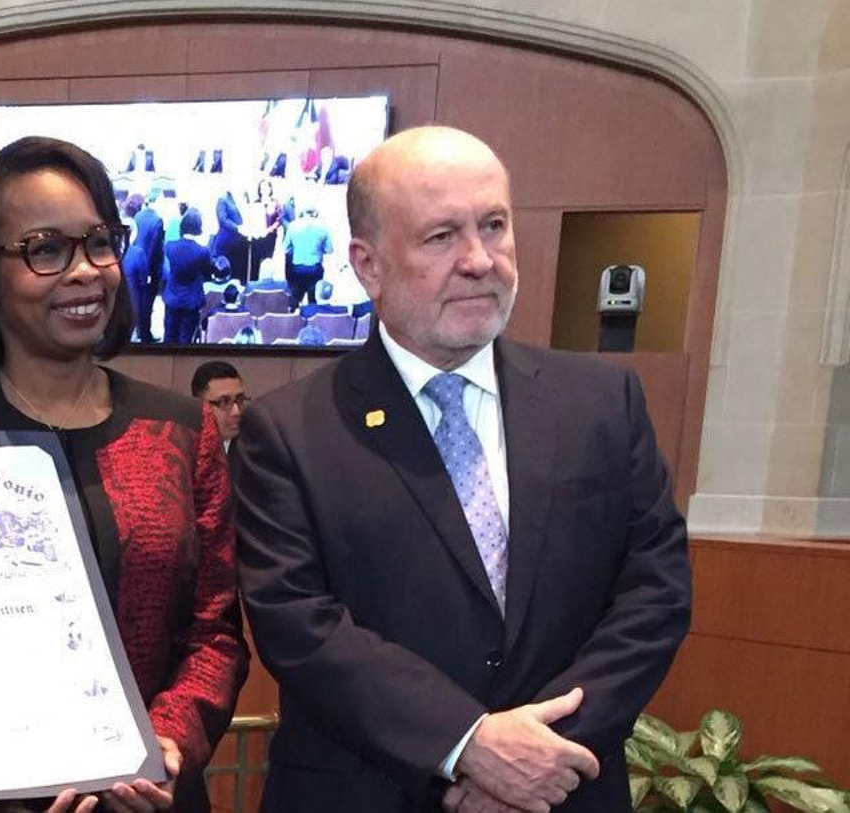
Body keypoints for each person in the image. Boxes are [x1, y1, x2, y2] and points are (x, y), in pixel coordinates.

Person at [234, 126, 691, 813]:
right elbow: (298, 623)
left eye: (495, 226)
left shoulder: (602, 401)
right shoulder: (288, 430)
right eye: (441, 236)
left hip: (565, 788)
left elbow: (655, 590)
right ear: (369, 264)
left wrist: (541, 755)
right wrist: (467, 744)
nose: (480, 259)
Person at [0, 136, 248, 813]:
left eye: (99, 243)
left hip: (150, 796)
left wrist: (167, 741)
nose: (86, 271)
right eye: (46, 249)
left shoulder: (180, 430)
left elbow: (215, 631)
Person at [161, 207, 212, 344]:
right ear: (198, 227)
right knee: (186, 340)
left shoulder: (169, 246)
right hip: (192, 299)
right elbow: (208, 274)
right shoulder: (202, 251)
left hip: (172, 298)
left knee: (169, 337)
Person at [121, 191, 165, 343]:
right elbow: (155, 248)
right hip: (148, 266)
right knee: (147, 304)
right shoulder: (157, 220)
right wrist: (151, 273)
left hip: (131, 262)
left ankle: (139, 331)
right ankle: (145, 334)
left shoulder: (137, 218)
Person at [282, 203, 333, 308]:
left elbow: (285, 248)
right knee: (313, 297)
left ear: (303, 212)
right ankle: (312, 317)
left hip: (297, 268)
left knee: (295, 296)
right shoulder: (323, 228)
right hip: (315, 267)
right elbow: (329, 250)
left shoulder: (293, 226)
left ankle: (293, 317)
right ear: (315, 213)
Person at [189, 361, 247, 451]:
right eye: (224, 402)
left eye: (240, 400)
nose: (236, 412)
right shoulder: (182, 451)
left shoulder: (257, 450)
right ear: (199, 405)